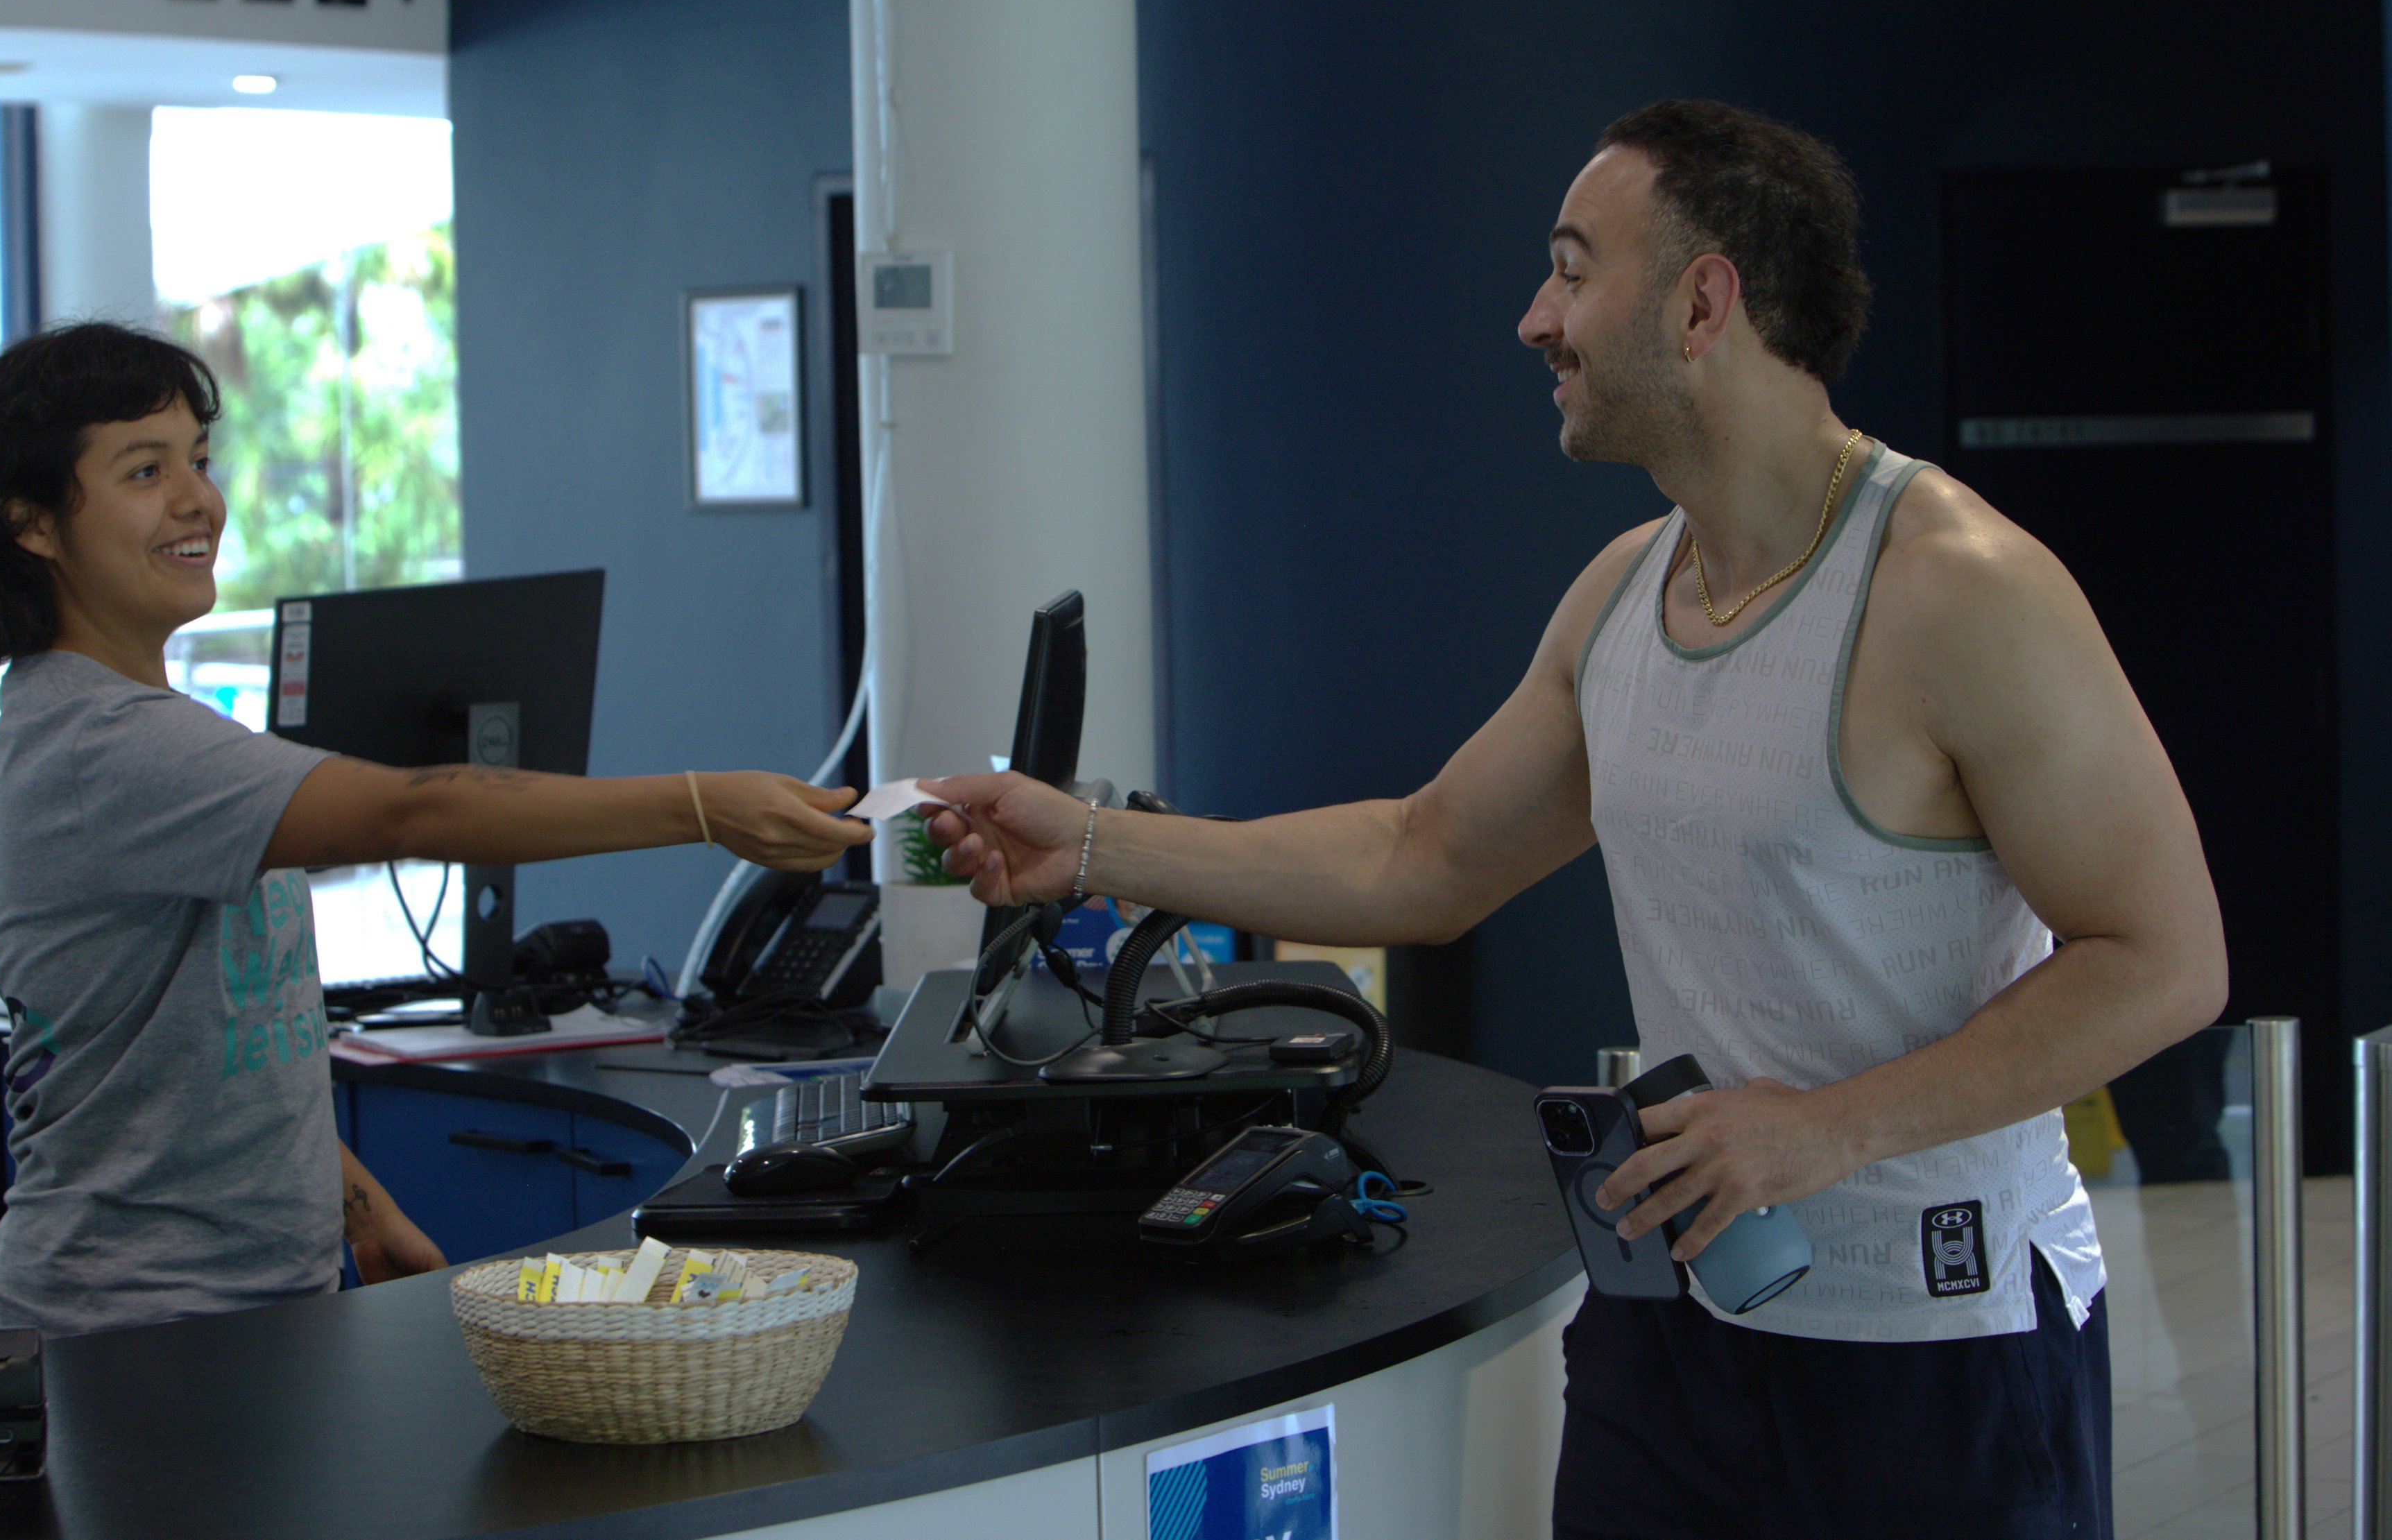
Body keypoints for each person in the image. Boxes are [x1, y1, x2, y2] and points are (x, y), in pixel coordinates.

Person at [923, 101, 2226, 1537]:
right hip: (1674, 1344)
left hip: (1940, 1351)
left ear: (1702, 301)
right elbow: (1423, 854)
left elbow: (2163, 959)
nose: (1534, 319)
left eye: (1570, 267)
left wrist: (1824, 1132)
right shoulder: (1621, 595)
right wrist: (1085, 843)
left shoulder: (1964, 589)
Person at [0, 322, 870, 1337]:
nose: (198, 497)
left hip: (248, 1312)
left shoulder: (145, 727)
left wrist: (359, 1211)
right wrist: (700, 807)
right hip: (128, 1334)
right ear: (32, 521)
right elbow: (415, 806)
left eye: (198, 459)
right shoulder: (96, 741)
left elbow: (224, 1048)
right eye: (145, 469)